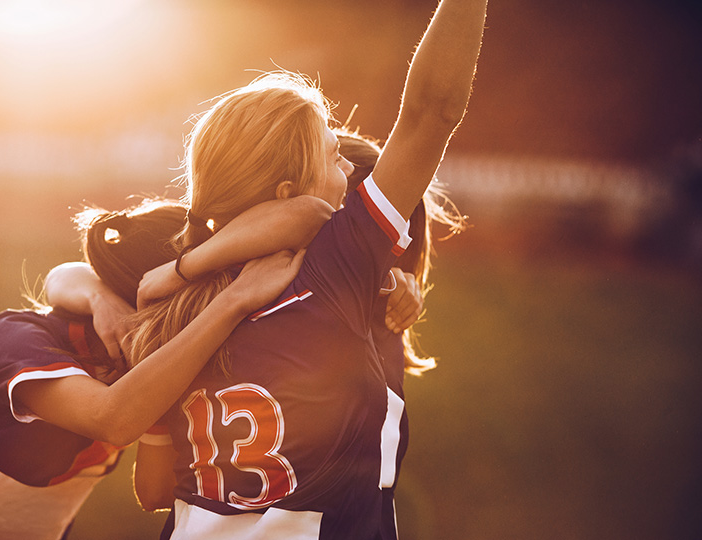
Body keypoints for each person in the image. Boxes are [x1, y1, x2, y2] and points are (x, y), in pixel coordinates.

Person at [125, 0, 487, 538]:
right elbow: (432, 109)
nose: (349, 169)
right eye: (333, 155)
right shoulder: (336, 264)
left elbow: (153, 492)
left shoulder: (171, 296)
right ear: (289, 190)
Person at [0, 199, 306, 540]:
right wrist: (231, 302)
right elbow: (111, 417)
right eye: (188, 313)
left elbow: (155, 491)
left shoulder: (139, 363)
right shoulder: (17, 336)